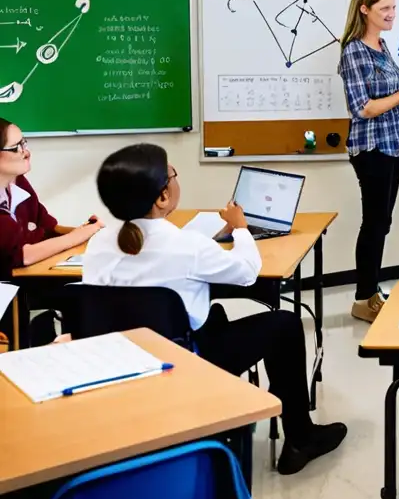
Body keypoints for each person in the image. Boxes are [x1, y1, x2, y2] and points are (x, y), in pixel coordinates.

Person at [82, 143, 346, 475]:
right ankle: (300, 437)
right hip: (188, 361)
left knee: (215, 310)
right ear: (162, 197)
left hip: (123, 363)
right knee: (285, 324)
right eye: (173, 175)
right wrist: (240, 228)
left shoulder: (98, 244)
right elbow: (248, 273)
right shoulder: (188, 246)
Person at [339, 0, 399, 323]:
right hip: (372, 147)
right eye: (385, 9)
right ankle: (363, 298)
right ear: (365, 10)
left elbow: (389, 99)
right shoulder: (353, 51)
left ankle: (372, 291)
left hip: (394, 143)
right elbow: (361, 108)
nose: (392, 14)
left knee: (383, 222)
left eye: (394, 7)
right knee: (375, 223)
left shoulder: (383, 45)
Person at [0, 117, 103, 277]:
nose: (26, 153)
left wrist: (87, 231)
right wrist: (77, 236)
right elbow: (23, 256)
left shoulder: (17, 181)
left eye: (24, 143)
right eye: (15, 148)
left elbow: (46, 227)